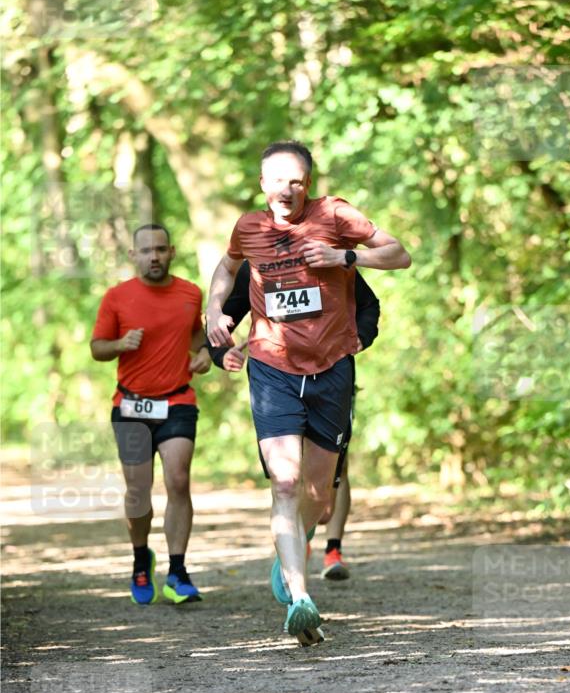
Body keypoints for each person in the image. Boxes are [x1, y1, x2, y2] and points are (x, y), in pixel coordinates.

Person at [206, 141, 410, 646]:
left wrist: (345, 255)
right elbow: (227, 268)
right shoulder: (249, 227)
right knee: (284, 482)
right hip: (272, 366)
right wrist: (214, 313)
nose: (286, 189)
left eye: (296, 180)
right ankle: (300, 597)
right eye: (276, 179)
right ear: (262, 185)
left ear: (308, 185)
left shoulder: (335, 215)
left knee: (319, 499)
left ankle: (298, 542)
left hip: (331, 368)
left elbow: (400, 254)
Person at [206, 259, 381, 581]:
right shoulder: (255, 265)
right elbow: (222, 320)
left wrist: (362, 336)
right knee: (286, 480)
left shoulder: (328, 260)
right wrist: (220, 353)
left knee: (322, 496)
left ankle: (305, 534)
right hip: (276, 382)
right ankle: (292, 562)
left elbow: (368, 304)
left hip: (331, 379)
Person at [90, 223, 211, 605]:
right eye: (146, 251)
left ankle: (178, 571)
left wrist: (206, 354)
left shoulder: (191, 293)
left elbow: (197, 337)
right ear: (133, 255)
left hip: (177, 400)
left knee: (178, 480)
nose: (154, 256)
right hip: (130, 406)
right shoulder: (117, 297)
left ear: (172, 252)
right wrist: (120, 343)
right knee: (138, 491)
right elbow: (97, 348)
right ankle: (141, 559)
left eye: (160, 249)